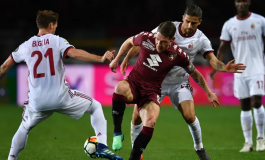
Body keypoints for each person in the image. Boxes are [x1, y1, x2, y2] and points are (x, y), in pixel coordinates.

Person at [110, 4, 246, 160]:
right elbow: (141, 42)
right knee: (137, 117)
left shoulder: (200, 40)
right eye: (187, 21)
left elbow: (212, 62)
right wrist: (126, 58)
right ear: (183, 18)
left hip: (179, 81)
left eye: (193, 23)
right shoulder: (168, 28)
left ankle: (199, 148)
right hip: (156, 82)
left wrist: (223, 69)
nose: (189, 26)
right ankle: (137, 153)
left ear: (199, 22)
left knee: (189, 116)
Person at [0, 10, 123, 160]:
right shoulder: (56, 40)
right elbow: (74, 53)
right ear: (51, 25)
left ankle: (11, 158)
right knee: (95, 107)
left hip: (37, 102)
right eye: (55, 26)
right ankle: (103, 146)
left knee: (24, 128)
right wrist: (100, 58)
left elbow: (5, 67)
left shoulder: (25, 46)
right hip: (61, 97)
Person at [210, 0, 265, 152]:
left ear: (249, 2)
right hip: (239, 71)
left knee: (256, 102)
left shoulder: (260, 21)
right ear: (235, 3)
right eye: (238, 1)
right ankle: (248, 143)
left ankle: (261, 138)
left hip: (257, 68)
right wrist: (216, 67)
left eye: (244, 0)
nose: (241, 3)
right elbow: (223, 47)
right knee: (245, 106)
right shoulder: (229, 24)